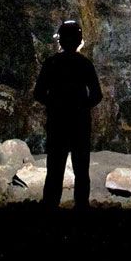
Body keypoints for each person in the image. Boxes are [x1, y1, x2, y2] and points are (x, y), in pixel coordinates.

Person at [32, 20, 101, 210]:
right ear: (79, 40)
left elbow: (38, 93)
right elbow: (97, 95)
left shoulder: (51, 63)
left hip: (58, 122)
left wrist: (54, 104)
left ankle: (50, 206)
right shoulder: (84, 64)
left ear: (60, 40)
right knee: (81, 169)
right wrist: (82, 107)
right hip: (79, 123)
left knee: (54, 169)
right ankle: (81, 206)